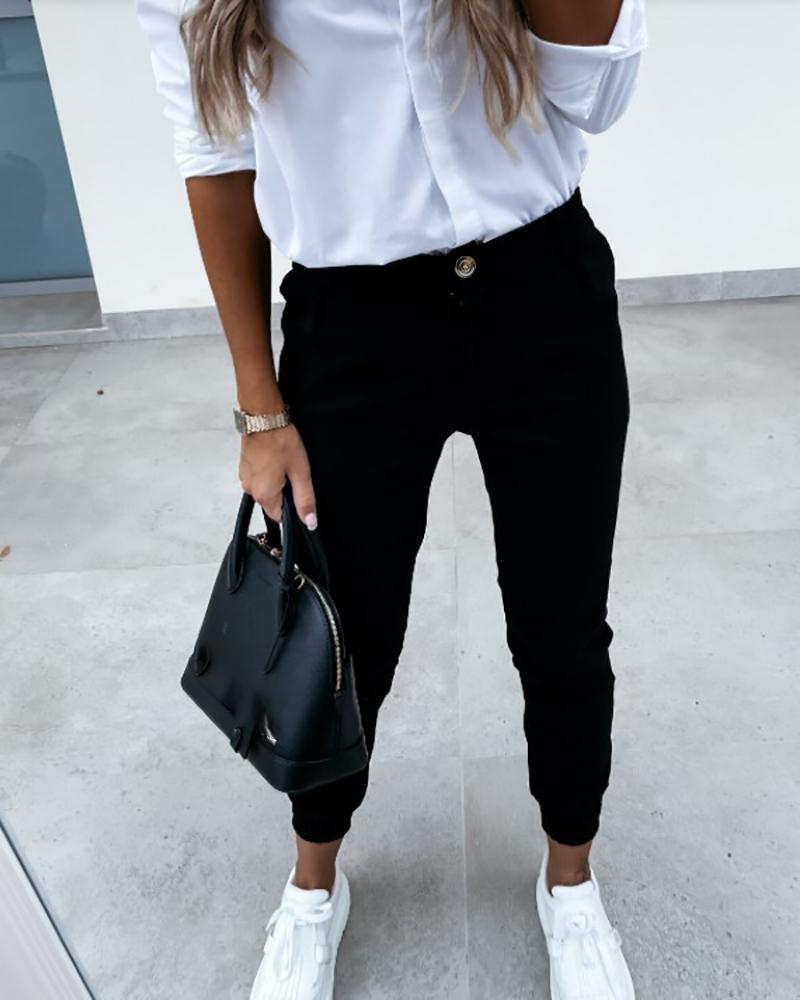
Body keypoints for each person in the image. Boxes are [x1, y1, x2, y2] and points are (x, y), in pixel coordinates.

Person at [134, 1, 648, 997]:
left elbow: (598, 93)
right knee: (341, 641)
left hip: (543, 292)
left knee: (563, 629)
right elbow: (214, 151)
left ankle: (570, 884)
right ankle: (312, 889)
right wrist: (259, 408)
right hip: (352, 324)